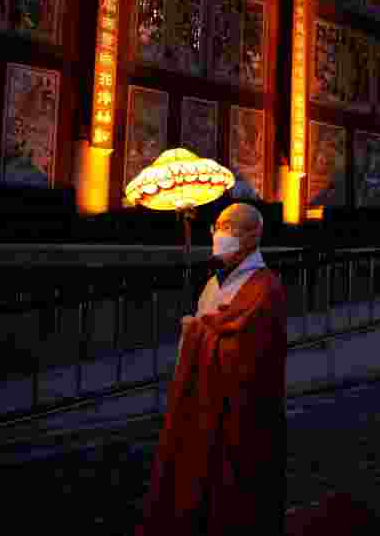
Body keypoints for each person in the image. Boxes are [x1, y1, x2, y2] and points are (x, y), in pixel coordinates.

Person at [137, 204, 286, 536]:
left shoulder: (266, 288)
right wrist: (197, 333)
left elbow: (247, 349)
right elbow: (209, 331)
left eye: (230, 228)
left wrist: (198, 332)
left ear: (253, 236)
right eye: (217, 226)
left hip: (241, 409)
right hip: (203, 399)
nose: (220, 234)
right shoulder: (211, 285)